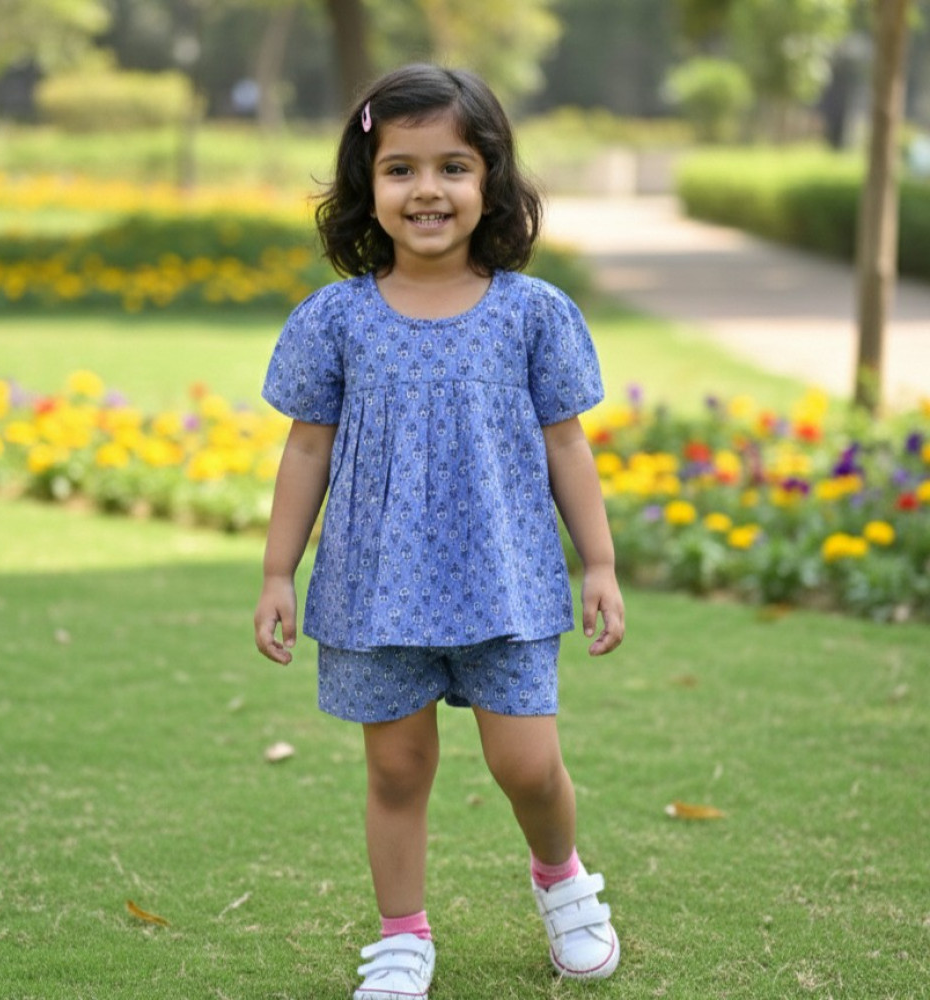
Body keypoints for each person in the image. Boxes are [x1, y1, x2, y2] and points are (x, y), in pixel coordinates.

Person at [254, 63, 625, 999]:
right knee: (398, 768)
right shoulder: (334, 320)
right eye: (400, 169)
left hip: (505, 582)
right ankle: (403, 935)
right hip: (376, 589)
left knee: (528, 764)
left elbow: (568, 448)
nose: (427, 190)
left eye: (453, 166)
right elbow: (305, 455)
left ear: (491, 179)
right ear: (365, 187)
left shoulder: (533, 314)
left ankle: (562, 881)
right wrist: (276, 575)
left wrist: (601, 564)